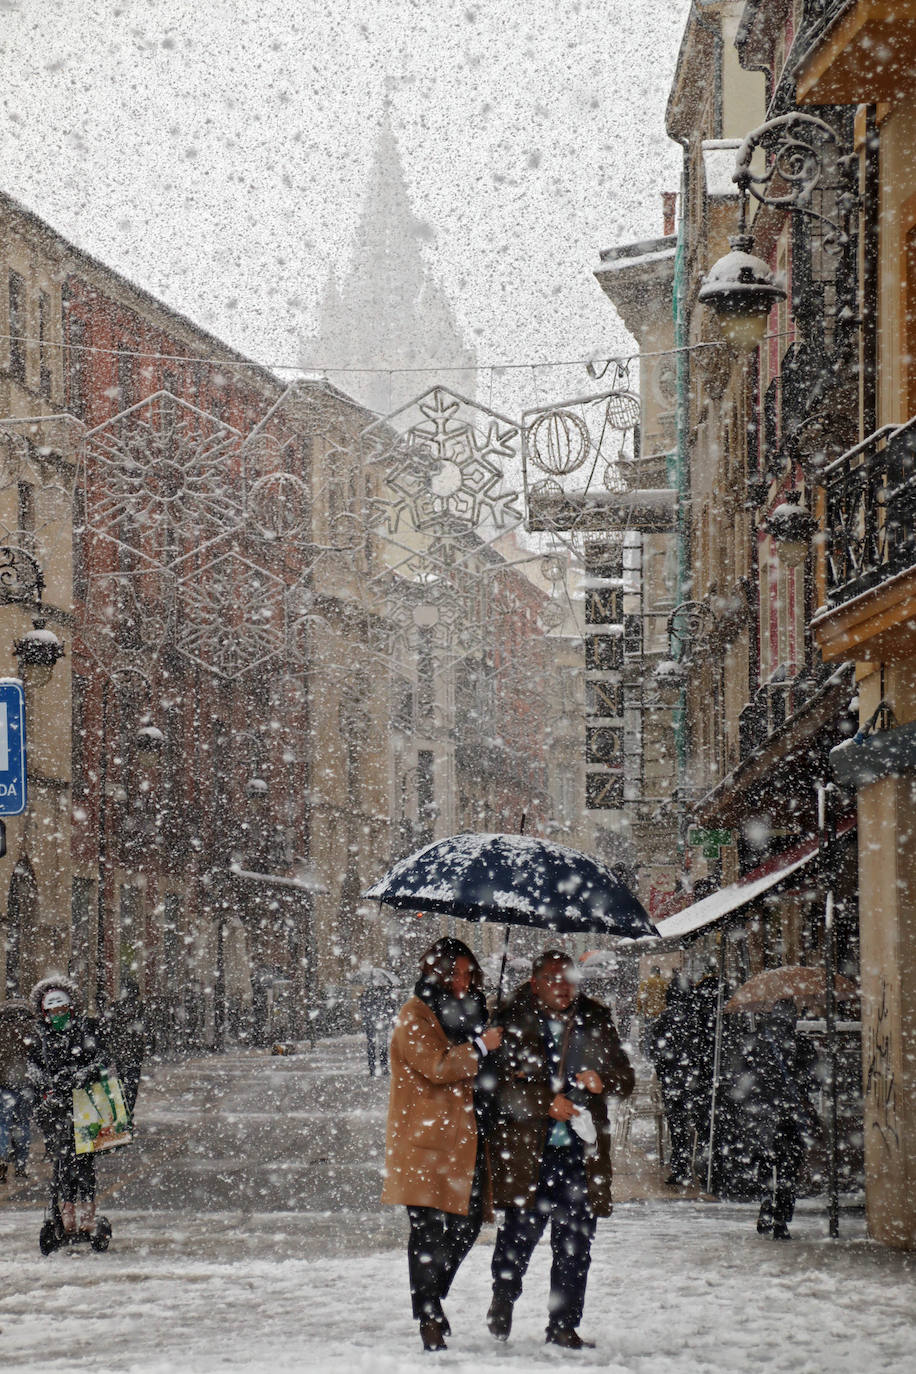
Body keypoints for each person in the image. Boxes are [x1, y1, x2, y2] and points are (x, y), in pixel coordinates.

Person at [487, 948, 634, 1350]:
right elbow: (493, 1087)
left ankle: (564, 1325)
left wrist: (602, 1080)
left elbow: (625, 1077)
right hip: (527, 1152)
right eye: (553, 978)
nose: (563, 986)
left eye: (568, 977)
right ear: (535, 983)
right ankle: (503, 1296)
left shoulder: (595, 1018)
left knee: (575, 1242)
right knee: (518, 1234)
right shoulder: (510, 1018)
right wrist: (543, 1102)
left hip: (580, 1154)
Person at [381, 937, 502, 1353]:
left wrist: (488, 1041)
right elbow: (437, 1067)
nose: (464, 982)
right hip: (425, 1141)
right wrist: (482, 1046)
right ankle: (429, 1317)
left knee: (468, 1225)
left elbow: (480, 1070)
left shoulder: (474, 1015)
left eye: (470, 974)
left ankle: (430, 1295)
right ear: (437, 971)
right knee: (427, 1232)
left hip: (467, 1139)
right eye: (456, 974)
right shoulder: (414, 1015)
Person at [729, 998, 819, 1240]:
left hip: (760, 1115)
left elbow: (738, 1078)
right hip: (790, 1114)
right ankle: (781, 1219)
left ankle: (766, 1206)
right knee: (789, 1167)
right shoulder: (802, 1045)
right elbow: (814, 1082)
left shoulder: (754, 1041)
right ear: (793, 1018)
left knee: (766, 1164)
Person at [28, 977, 107, 1237]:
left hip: (84, 1103)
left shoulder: (86, 1030)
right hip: (56, 1107)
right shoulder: (40, 1036)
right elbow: (33, 1069)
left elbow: (101, 1061)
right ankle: (67, 1209)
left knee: (84, 1159)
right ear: (45, 1012)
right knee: (62, 1161)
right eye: (53, 1011)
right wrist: (47, 1085)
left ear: (70, 1009)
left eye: (62, 1010)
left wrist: (79, 1076)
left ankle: (88, 1209)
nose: (58, 1016)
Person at [648, 975, 696, 1186]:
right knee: (698, 1124)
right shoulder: (697, 1018)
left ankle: (680, 1165)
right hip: (694, 1079)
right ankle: (700, 1165)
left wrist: (665, 1069)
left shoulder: (664, 1019)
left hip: (673, 1080)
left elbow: (654, 1051)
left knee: (678, 1126)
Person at [0, 998, 36, 1182]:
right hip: (25, 1085)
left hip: (3, 1084)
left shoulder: (1, 1032)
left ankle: (2, 1162)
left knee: (3, 1125)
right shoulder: (32, 1031)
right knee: (22, 1125)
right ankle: (21, 1166)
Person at [101, 981, 146, 1116]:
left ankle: (123, 1111)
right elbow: (145, 1029)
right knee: (131, 1085)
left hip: (119, 1052)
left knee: (120, 1083)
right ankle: (127, 1111)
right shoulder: (139, 1007)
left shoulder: (115, 1007)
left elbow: (105, 1028)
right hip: (133, 1053)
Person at [359, 978, 397, 1077]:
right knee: (381, 1045)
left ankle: (373, 1068)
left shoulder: (367, 993)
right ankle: (382, 1068)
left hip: (373, 1022)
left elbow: (362, 1007)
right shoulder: (386, 993)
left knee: (374, 1045)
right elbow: (392, 1009)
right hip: (380, 1022)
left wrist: (367, 1018)